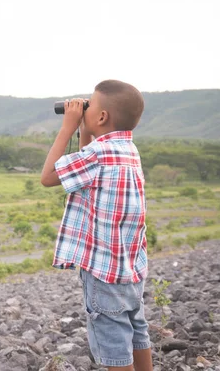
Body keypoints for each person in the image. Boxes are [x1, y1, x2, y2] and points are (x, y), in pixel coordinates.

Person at [40, 80, 152, 371]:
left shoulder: (97, 155)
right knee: (136, 328)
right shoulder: (128, 150)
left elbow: (49, 176)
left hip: (103, 272)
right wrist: (85, 131)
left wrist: (68, 126)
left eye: (88, 104)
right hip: (130, 267)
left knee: (113, 339)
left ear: (101, 117)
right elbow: (85, 166)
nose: (82, 108)